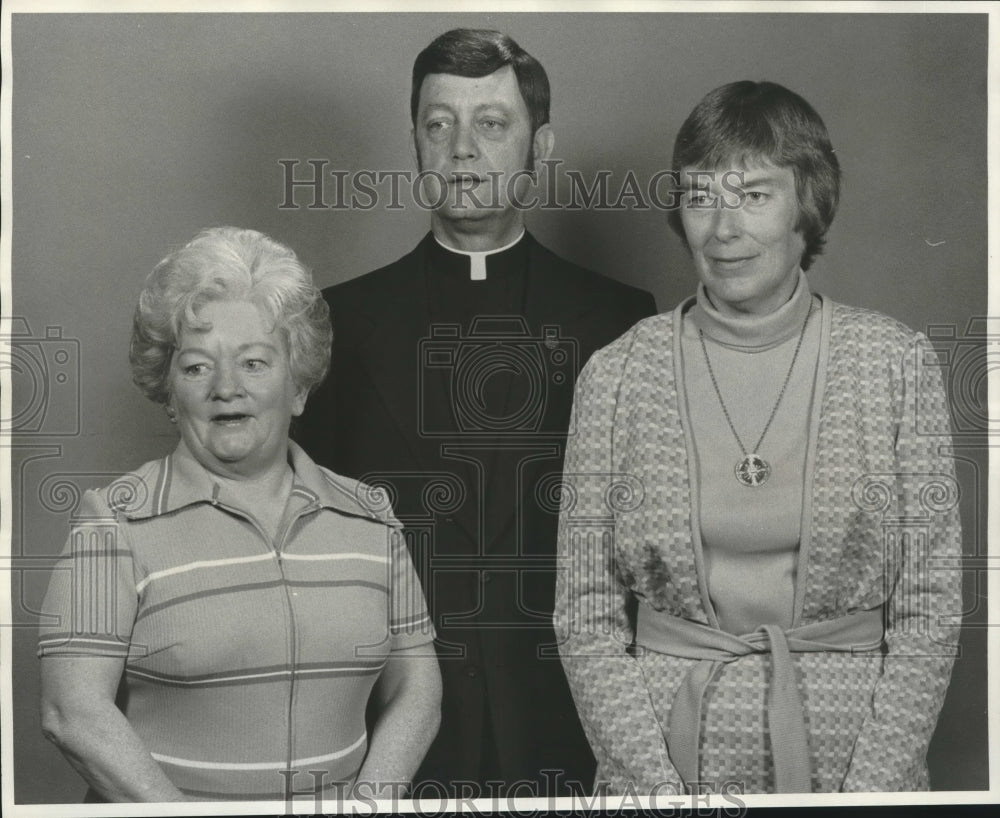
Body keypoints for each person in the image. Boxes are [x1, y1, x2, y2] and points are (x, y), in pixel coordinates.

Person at [554, 81, 962, 794]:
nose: (722, 227)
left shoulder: (896, 364)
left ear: (808, 205)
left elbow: (930, 608)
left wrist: (871, 789)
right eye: (702, 195)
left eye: (754, 195)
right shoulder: (615, 375)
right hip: (663, 760)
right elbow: (585, 617)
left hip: (854, 759)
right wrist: (655, 788)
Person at [296, 29, 656, 795]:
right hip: (393, 722)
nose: (462, 149)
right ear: (416, 143)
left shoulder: (620, 318)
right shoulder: (339, 324)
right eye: (438, 124)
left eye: (491, 123)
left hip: (577, 715)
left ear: (540, 144)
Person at [37, 227, 441, 802]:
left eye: (254, 363)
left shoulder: (370, 517)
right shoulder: (112, 523)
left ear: (298, 385)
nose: (227, 389)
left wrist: (371, 803)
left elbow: (418, 684)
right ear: (169, 392)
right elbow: (69, 711)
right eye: (198, 367)